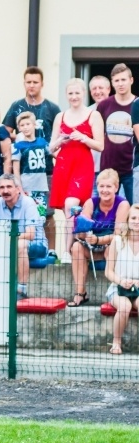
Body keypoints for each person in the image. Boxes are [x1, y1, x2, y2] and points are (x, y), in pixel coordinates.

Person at [2, 67, 61, 249]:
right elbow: (5, 132)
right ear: (24, 83)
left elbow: (57, 136)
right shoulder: (16, 106)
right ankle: (27, 248)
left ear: (42, 84)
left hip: (46, 171)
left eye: (35, 82)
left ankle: (50, 251)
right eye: (29, 82)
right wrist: (22, 137)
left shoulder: (51, 108)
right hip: (24, 172)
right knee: (25, 210)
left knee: (47, 213)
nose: (32, 85)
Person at [49, 78, 104, 259]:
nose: (74, 96)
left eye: (77, 93)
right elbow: (50, 148)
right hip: (64, 164)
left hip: (82, 165)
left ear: (83, 94)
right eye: (70, 93)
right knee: (67, 211)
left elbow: (100, 145)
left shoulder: (93, 115)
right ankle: (73, 249)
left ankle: (66, 251)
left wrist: (83, 137)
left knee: (71, 204)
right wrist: (60, 141)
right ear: (66, 95)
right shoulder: (60, 116)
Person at [68, 169, 129, 307]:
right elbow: (80, 231)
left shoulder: (122, 204)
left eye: (108, 186)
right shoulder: (91, 202)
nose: (105, 190)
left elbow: (119, 234)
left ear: (116, 187)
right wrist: (83, 233)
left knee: (113, 245)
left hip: (110, 246)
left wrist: (98, 240)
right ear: (97, 187)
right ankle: (80, 293)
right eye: (101, 186)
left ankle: (119, 291)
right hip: (91, 247)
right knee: (76, 247)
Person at [0, 174, 48, 300]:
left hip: (37, 246)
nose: (5, 191)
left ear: (17, 188)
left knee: (20, 245)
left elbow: (30, 235)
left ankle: (22, 289)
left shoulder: (28, 203)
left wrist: (8, 237)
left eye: (9, 187)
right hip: (8, 244)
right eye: (2, 187)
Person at [96, 64, 136, 202]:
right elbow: (97, 136)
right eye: (117, 80)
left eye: (123, 80)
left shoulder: (137, 104)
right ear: (112, 83)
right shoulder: (104, 105)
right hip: (108, 169)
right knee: (109, 210)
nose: (120, 84)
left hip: (132, 168)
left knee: (134, 210)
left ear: (131, 80)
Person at [104, 204, 139, 355]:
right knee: (124, 307)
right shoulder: (117, 241)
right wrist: (121, 281)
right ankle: (116, 341)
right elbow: (108, 272)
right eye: (133, 218)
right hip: (118, 287)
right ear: (127, 220)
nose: (137, 221)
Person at [12, 112, 51, 230]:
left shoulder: (42, 142)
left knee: (40, 219)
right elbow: (16, 170)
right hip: (27, 187)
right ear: (19, 128)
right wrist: (20, 189)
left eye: (28, 124)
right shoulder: (18, 146)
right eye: (22, 125)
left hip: (41, 187)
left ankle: (38, 245)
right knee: (27, 219)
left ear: (34, 125)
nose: (25, 127)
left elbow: (54, 153)